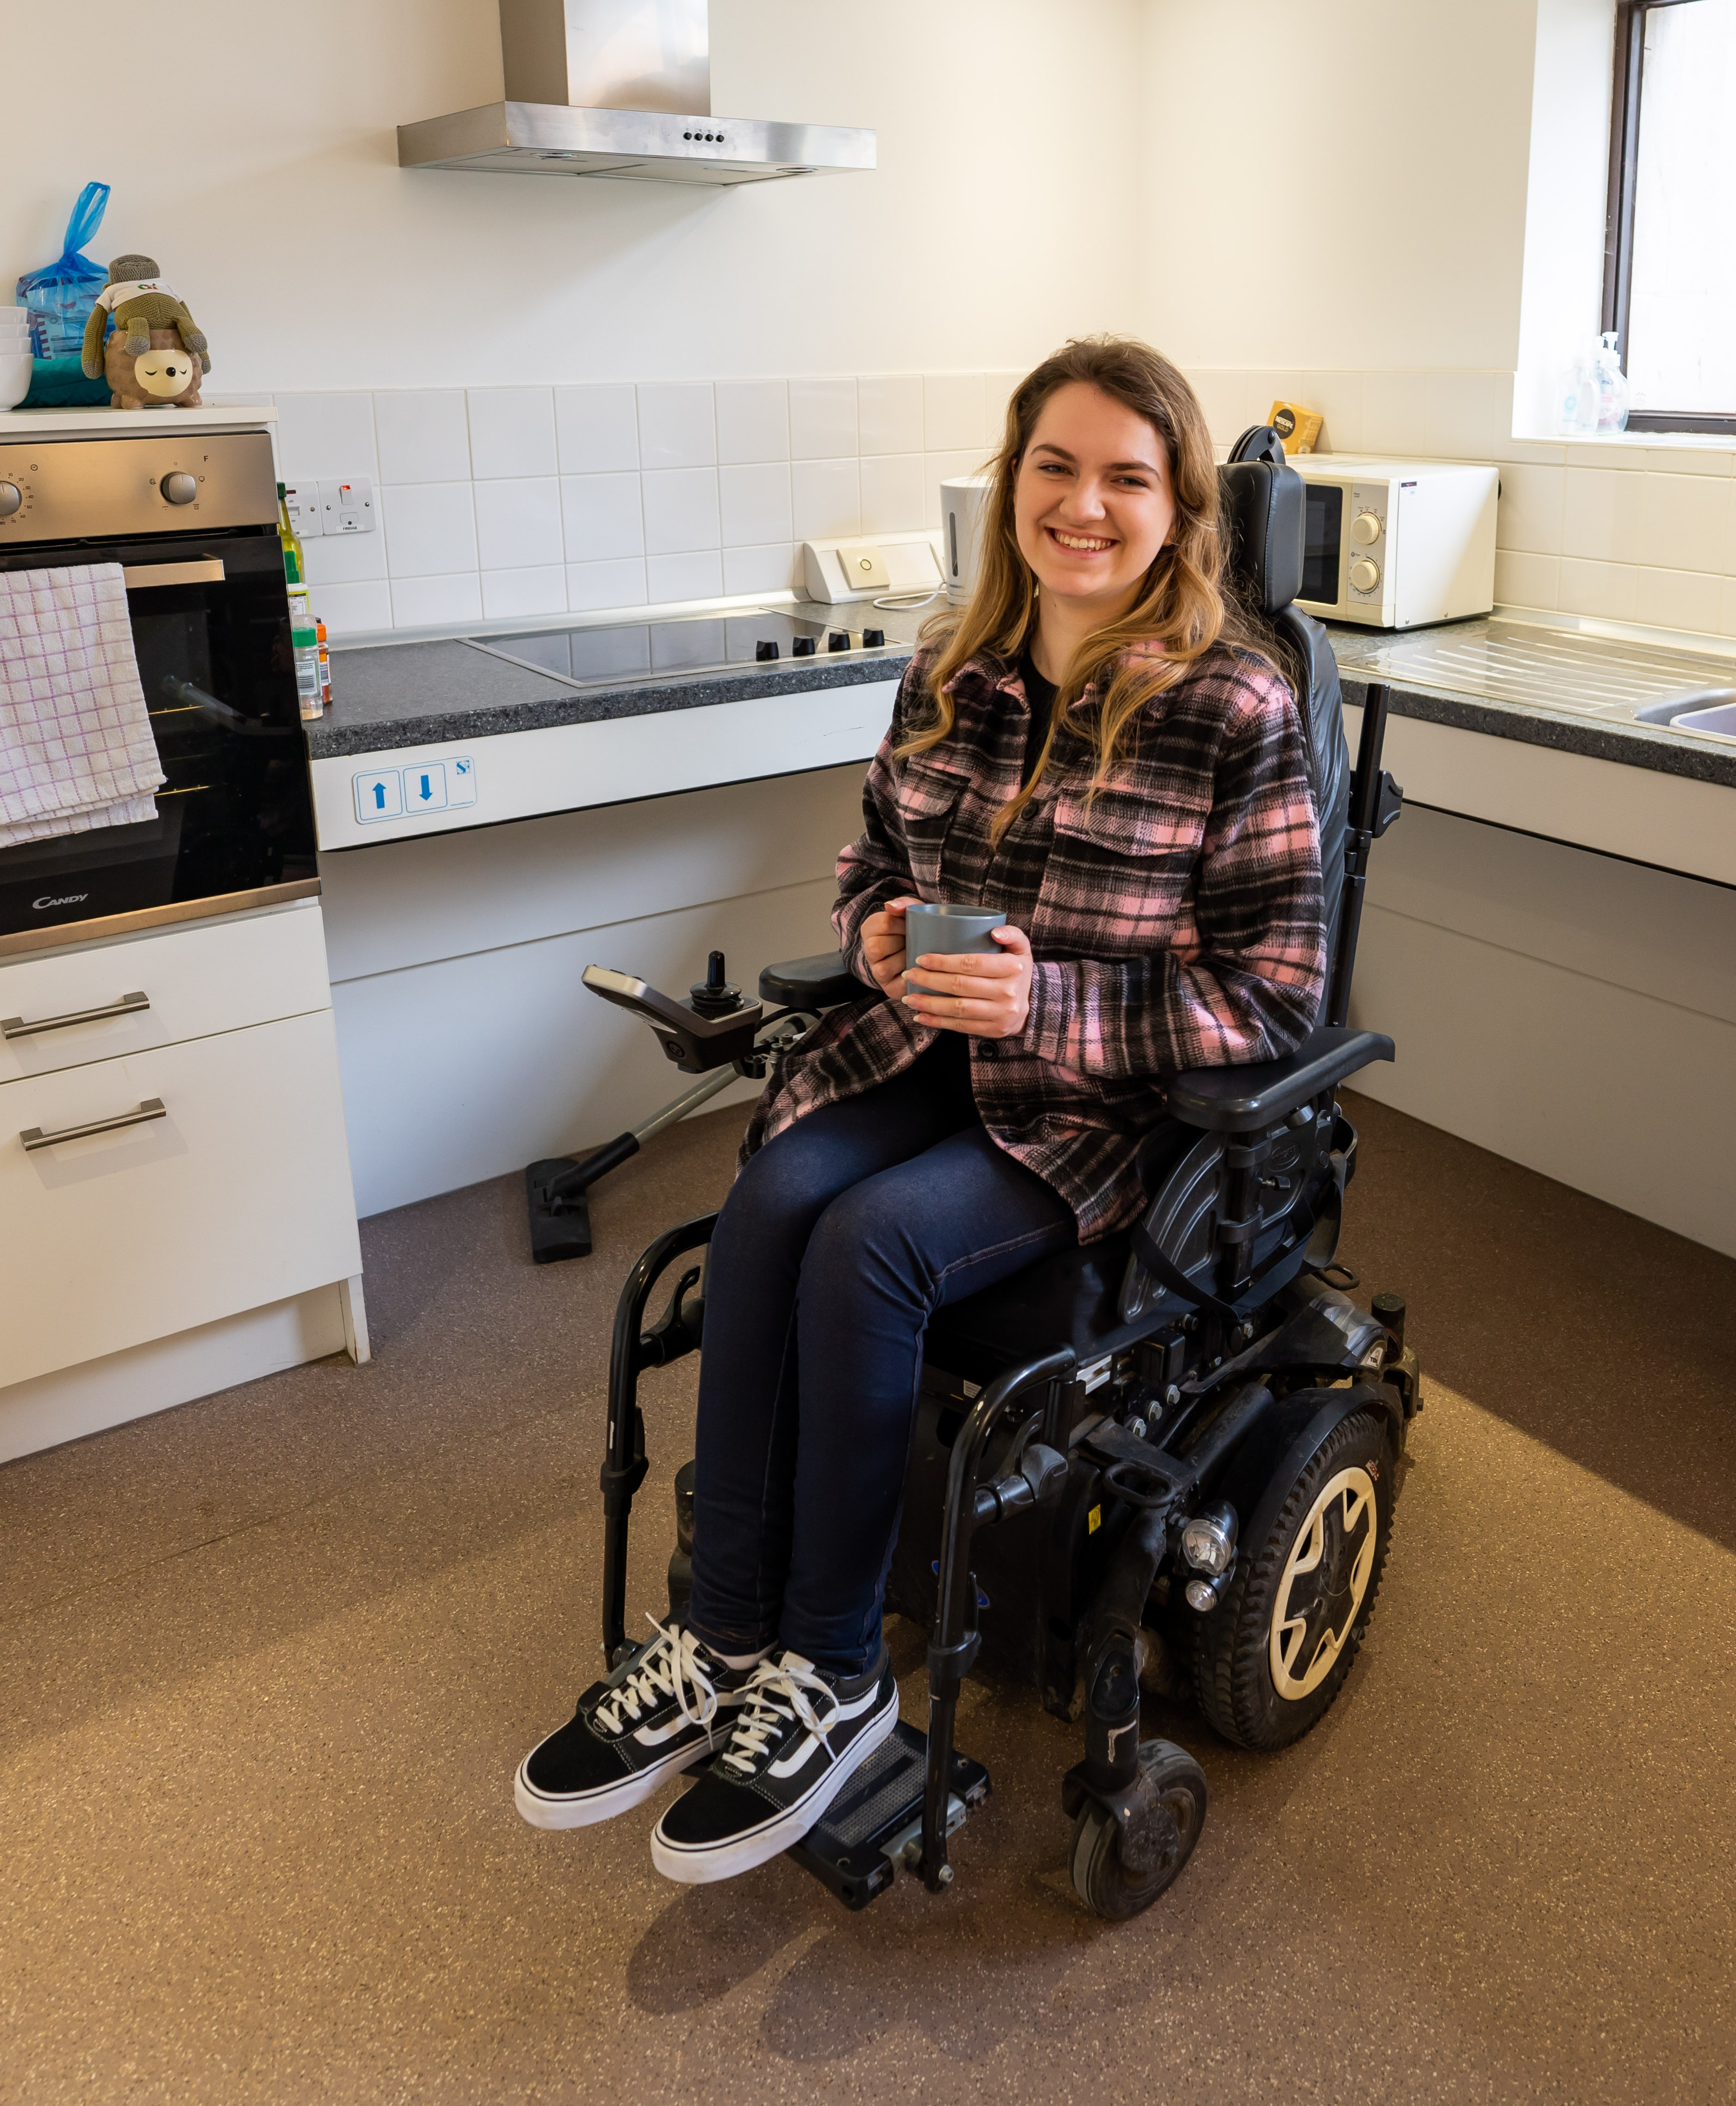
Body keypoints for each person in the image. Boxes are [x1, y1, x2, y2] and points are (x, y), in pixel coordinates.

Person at [513, 336, 1330, 1884]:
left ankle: (830, 1671)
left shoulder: (1236, 703)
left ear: (1178, 511)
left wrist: (1055, 1007)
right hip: (912, 1054)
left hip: (1098, 1112)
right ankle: (718, 1634)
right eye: (1054, 468)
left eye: (1125, 478)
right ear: (1010, 479)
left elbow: (1275, 997)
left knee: (867, 1243)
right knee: (763, 1201)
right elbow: (875, 861)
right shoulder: (949, 668)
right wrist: (884, 928)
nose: (1083, 505)